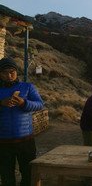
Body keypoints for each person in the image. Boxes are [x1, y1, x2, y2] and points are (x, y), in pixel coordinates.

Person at [0, 57, 44, 186]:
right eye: (4, 72)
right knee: (6, 176)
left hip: (26, 140)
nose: (9, 75)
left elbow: (40, 105)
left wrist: (23, 102)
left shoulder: (27, 87)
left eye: (12, 72)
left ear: (16, 72)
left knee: (28, 174)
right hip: (3, 142)